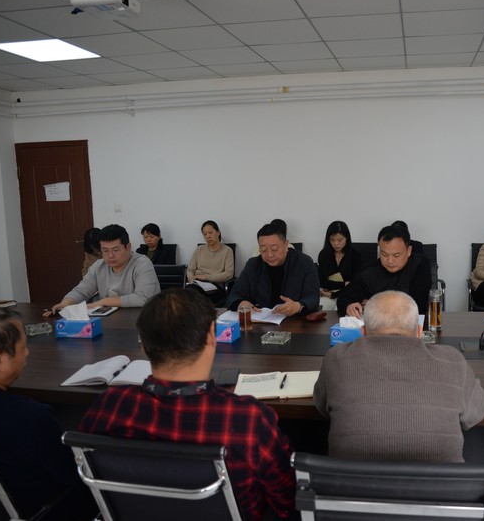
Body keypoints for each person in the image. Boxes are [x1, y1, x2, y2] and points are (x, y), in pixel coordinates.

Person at [78, 289, 296, 520]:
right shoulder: (248, 420)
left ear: (143, 345)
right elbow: (288, 499)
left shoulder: (109, 406)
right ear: (211, 336)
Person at [0, 310, 97, 520]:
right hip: (36, 511)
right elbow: (69, 476)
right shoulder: (31, 416)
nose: (27, 353)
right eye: (23, 348)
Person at [314, 291, 484, 461]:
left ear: (363, 331)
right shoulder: (453, 361)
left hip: (347, 480)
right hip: (439, 480)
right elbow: (474, 415)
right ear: (419, 332)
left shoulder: (336, 358)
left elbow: (322, 407)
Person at [45, 224, 160, 315]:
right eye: (105, 251)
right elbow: (82, 289)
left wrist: (102, 302)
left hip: (142, 320)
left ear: (128, 247)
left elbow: (143, 298)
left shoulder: (142, 263)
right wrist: (67, 302)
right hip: (109, 321)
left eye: (115, 250)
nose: (110, 255)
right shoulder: (99, 266)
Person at [226, 222, 319, 316]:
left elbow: (313, 297)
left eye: (274, 249)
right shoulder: (253, 265)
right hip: (259, 320)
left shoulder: (303, 262)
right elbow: (234, 295)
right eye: (264, 250)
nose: (270, 255)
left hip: (293, 320)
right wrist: (240, 303)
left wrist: (298, 306)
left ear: (286, 244)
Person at [337, 225, 431, 317]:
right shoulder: (369, 271)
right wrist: (349, 306)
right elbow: (343, 299)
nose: (390, 261)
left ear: (409, 251)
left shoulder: (420, 264)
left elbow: (417, 304)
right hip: (377, 325)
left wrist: (376, 305)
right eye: (384, 254)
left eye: (396, 255)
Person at [186, 220, 234, 304]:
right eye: (205, 234)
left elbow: (228, 274)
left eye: (210, 233)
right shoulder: (199, 249)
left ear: (218, 232)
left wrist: (206, 277)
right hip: (197, 283)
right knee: (189, 291)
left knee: (193, 294)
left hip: (216, 286)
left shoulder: (227, 251)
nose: (208, 236)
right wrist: (191, 278)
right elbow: (190, 269)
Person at [317, 221, 363, 311]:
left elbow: (355, 285)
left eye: (340, 240)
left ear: (347, 238)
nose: (336, 244)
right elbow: (322, 282)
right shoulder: (323, 254)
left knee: (340, 310)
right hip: (328, 295)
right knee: (319, 307)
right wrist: (344, 284)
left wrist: (333, 294)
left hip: (348, 296)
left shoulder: (355, 255)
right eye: (332, 240)